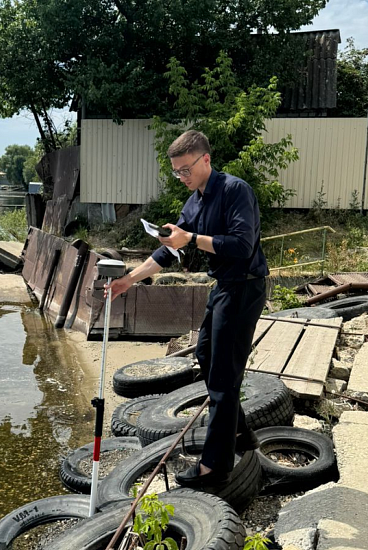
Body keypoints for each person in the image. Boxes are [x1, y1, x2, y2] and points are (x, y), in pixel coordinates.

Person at [106, 129, 268, 488]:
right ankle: (240, 435)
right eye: (177, 172)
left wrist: (191, 238)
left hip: (246, 286)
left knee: (224, 377)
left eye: (186, 170)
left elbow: (242, 246)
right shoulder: (194, 202)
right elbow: (169, 251)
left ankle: (215, 467)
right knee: (208, 356)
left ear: (205, 160)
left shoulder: (234, 191)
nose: (182, 177)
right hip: (224, 286)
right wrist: (129, 280)